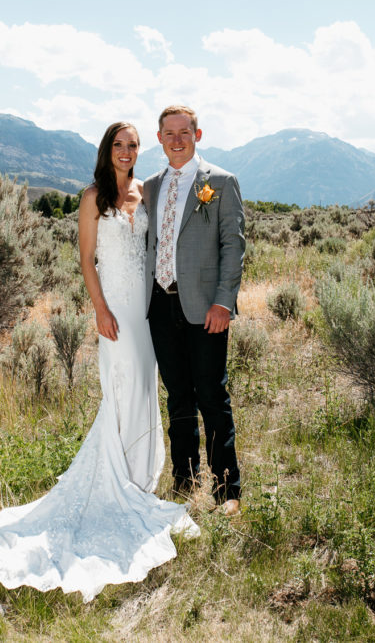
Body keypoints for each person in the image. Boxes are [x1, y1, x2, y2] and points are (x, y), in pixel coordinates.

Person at [0, 122, 197, 603]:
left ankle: (137, 479)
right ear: (107, 150)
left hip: (146, 309)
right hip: (115, 310)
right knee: (121, 386)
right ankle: (116, 483)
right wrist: (100, 309)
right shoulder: (93, 197)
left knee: (144, 387)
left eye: (132, 145)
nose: (127, 151)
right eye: (119, 144)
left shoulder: (145, 193)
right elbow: (87, 260)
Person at [145, 105, 246, 516]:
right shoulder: (151, 186)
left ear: (197, 134)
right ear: (159, 139)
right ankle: (184, 483)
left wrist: (224, 301)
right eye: (169, 133)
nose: (177, 139)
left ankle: (227, 492)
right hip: (159, 306)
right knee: (177, 398)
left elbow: (233, 245)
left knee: (212, 396)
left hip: (207, 308)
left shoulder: (220, 182)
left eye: (184, 132)